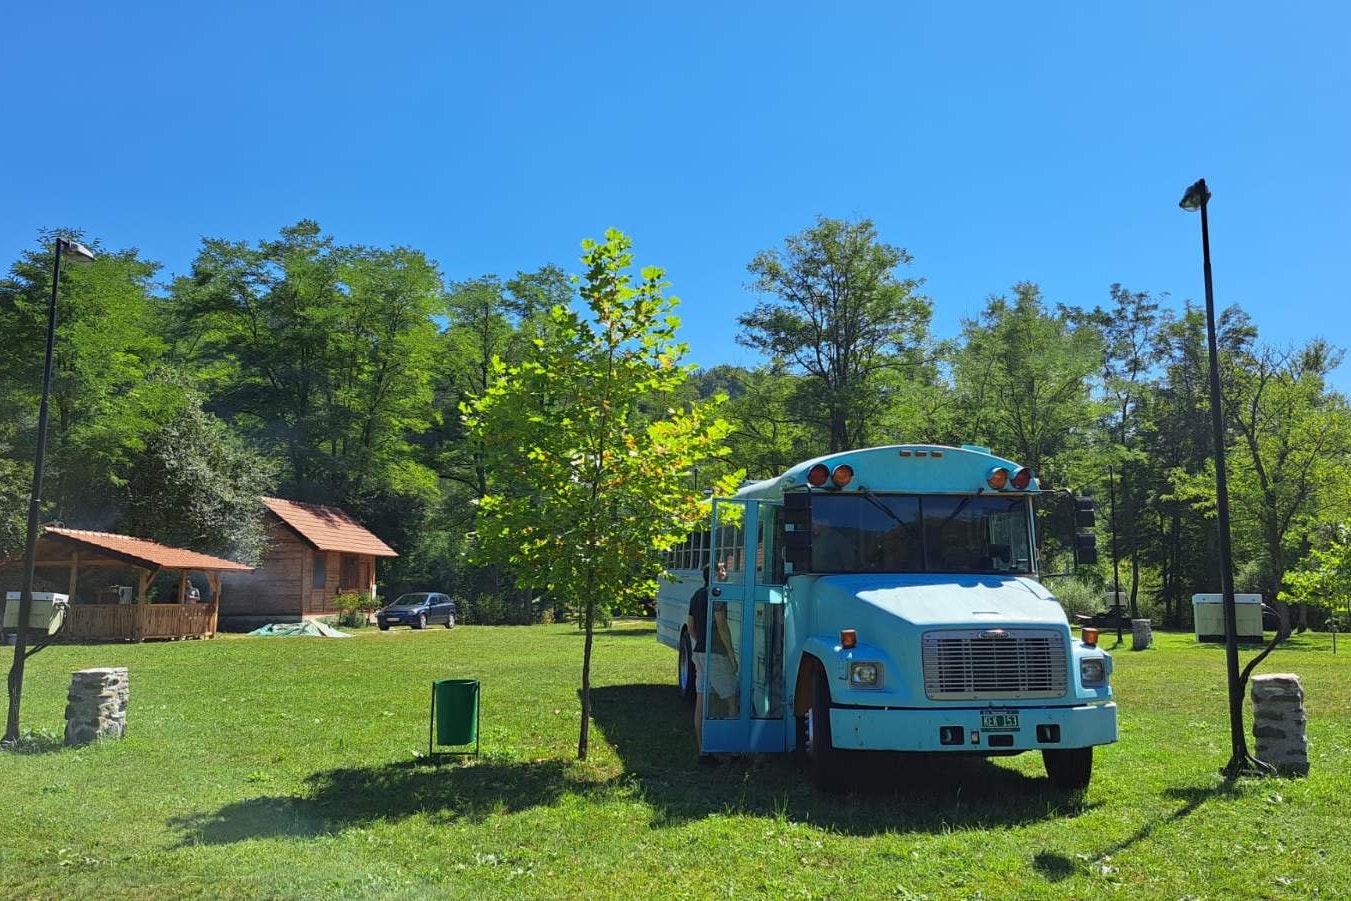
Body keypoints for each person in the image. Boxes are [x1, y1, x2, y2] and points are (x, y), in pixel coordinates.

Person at [688, 560, 738, 763]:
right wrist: (732, 656)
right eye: (723, 569)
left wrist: (701, 641)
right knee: (732, 702)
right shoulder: (718, 594)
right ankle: (733, 750)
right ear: (715, 575)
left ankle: (703, 750)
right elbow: (722, 626)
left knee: (701, 702)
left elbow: (690, 628)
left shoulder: (696, 595)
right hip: (716, 654)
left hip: (699, 653)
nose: (726, 572)